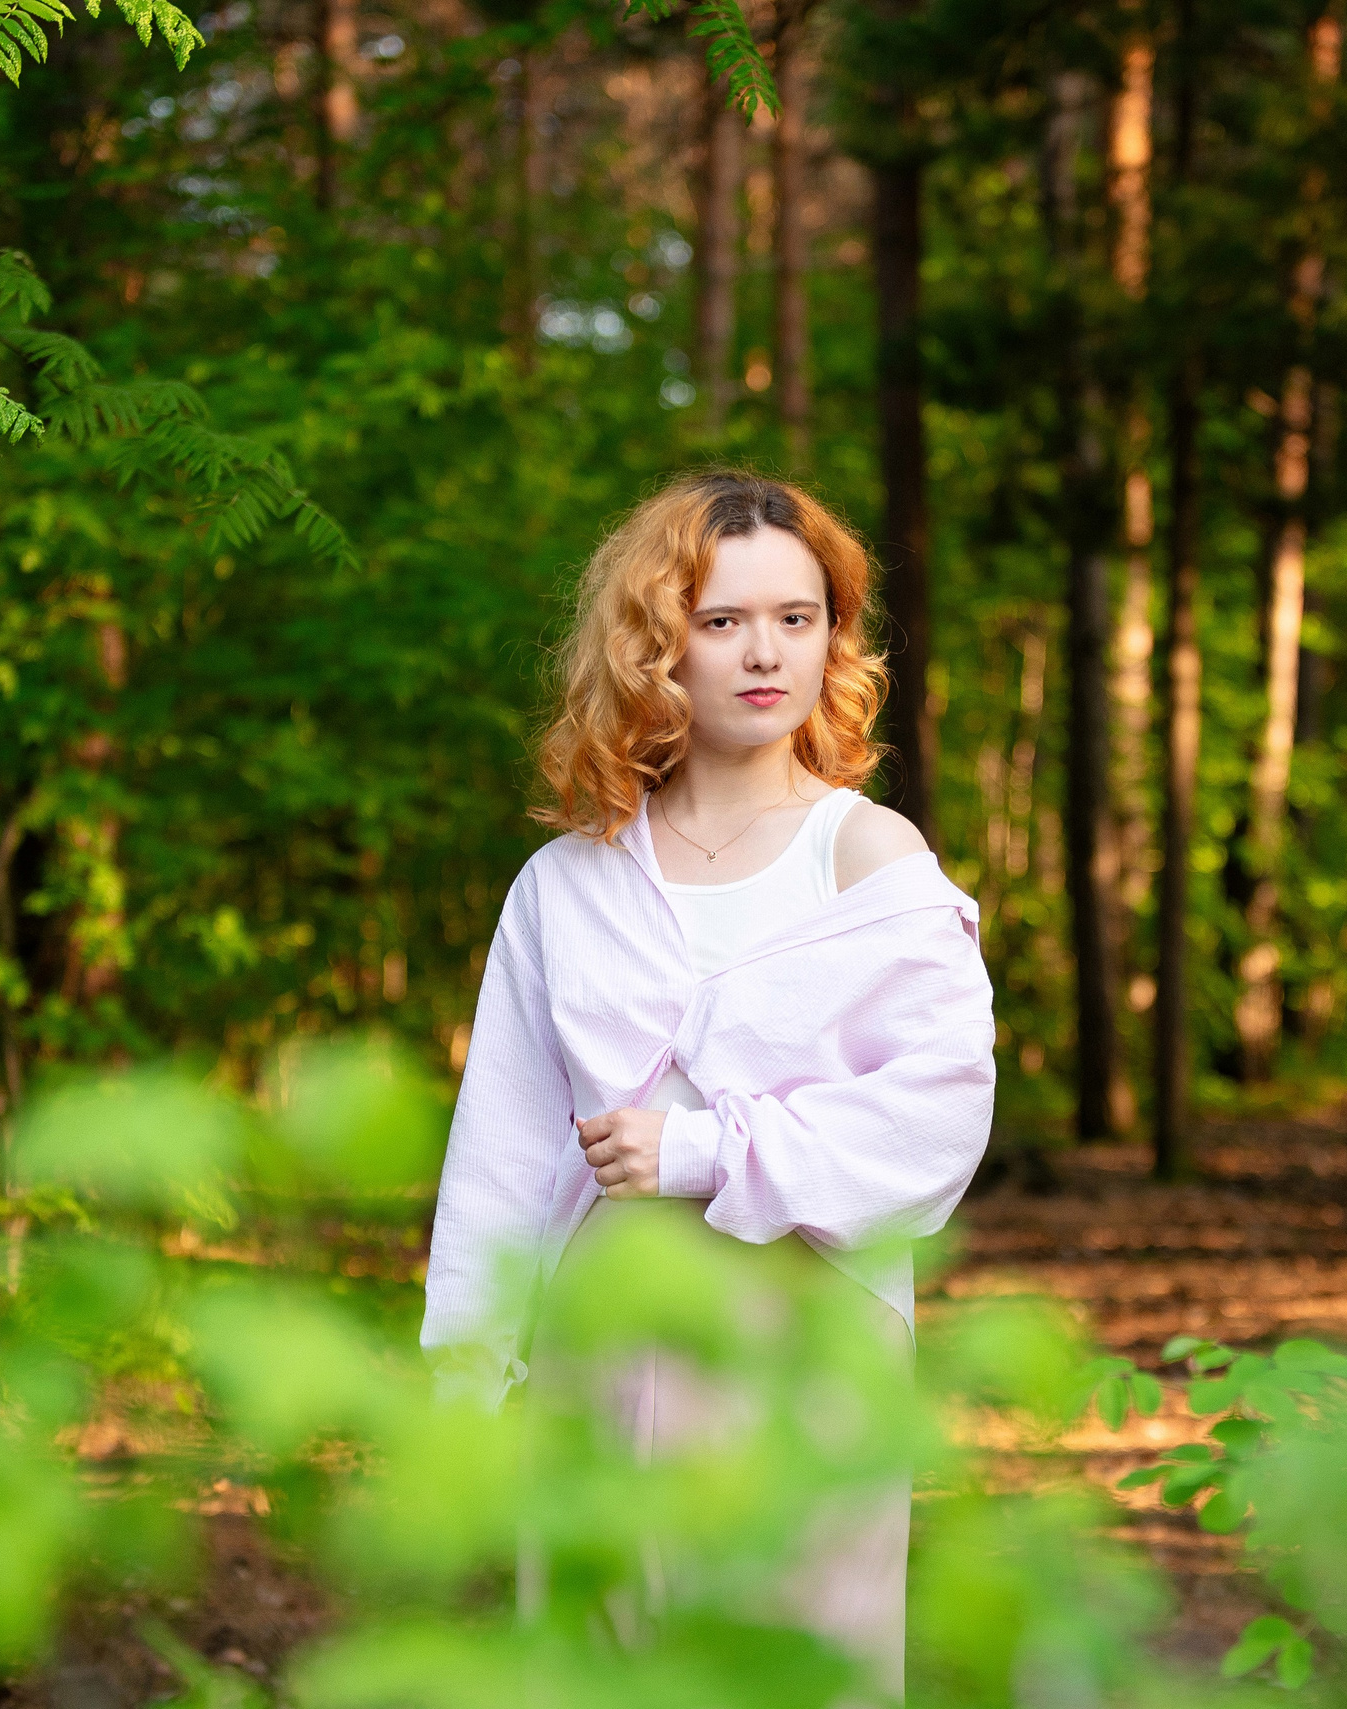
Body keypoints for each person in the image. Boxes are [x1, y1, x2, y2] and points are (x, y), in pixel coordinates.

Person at [420, 469, 997, 1698]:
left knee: (797, 1657)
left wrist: (698, 1151)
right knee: (603, 1661)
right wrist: (464, 1372)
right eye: (722, 619)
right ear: (657, 644)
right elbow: (503, 1148)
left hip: (808, 1334)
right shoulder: (567, 881)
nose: (764, 653)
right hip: (602, 1333)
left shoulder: (869, 859)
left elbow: (938, 1117)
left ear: (834, 636)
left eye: (797, 617)